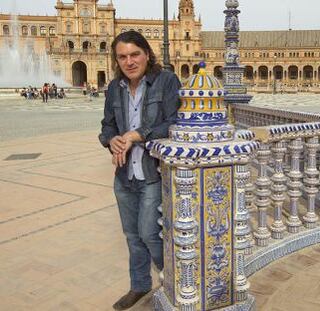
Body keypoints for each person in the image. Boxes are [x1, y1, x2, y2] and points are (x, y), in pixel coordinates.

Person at [98, 30, 181, 310]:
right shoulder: (114, 88)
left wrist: (137, 135)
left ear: (147, 54)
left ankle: (174, 283)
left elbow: (174, 122)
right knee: (131, 235)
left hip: (152, 174)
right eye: (122, 56)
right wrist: (112, 139)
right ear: (116, 60)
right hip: (124, 176)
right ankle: (139, 285)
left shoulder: (166, 81)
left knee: (148, 233)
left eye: (135, 54)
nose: (129, 61)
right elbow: (107, 125)